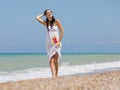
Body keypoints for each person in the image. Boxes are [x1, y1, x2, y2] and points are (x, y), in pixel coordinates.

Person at [36, 9, 64, 78]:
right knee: (51, 60)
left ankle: (56, 73)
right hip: (49, 44)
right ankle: (53, 76)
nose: (49, 13)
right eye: (47, 13)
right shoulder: (46, 23)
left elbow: (62, 31)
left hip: (56, 42)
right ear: (46, 15)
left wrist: (59, 41)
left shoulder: (56, 21)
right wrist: (43, 14)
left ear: (52, 13)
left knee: (55, 60)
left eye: (50, 12)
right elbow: (37, 18)